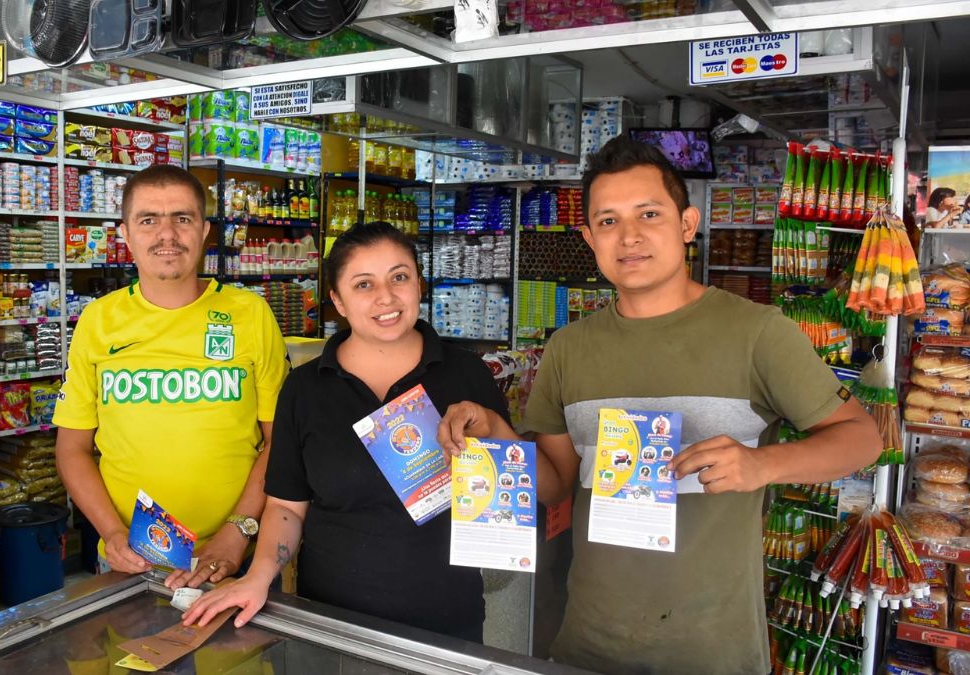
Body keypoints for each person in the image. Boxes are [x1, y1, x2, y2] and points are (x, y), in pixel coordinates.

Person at [439, 137, 882, 673]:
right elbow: (556, 480)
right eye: (608, 221)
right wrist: (496, 436)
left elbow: (862, 438)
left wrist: (763, 464)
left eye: (649, 214)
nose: (630, 236)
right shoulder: (568, 348)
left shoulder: (758, 333)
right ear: (589, 238)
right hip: (589, 643)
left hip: (711, 650)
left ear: (687, 224)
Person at [182, 222, 509, 643]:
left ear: (419, 284)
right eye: (363, 285)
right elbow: (286, 506)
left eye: (399, 277)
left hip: (446, 624)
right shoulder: (306, 388)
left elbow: (511, 486)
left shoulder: (465, 374)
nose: (386, 297)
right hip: (331, 624)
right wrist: (258, 577)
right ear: (337, 300)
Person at [53, 165, 289, 588]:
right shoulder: (96, 321)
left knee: (238, 656)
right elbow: (72, 448)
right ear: (125, 235)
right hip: (133, 559)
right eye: (148, 220)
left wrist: (238, 532)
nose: (167, 234)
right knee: (130, 651)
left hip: (233, 558)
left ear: (203, 231)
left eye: (182, 218)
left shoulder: (251, 315)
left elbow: (281, 440)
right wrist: (111, 533)